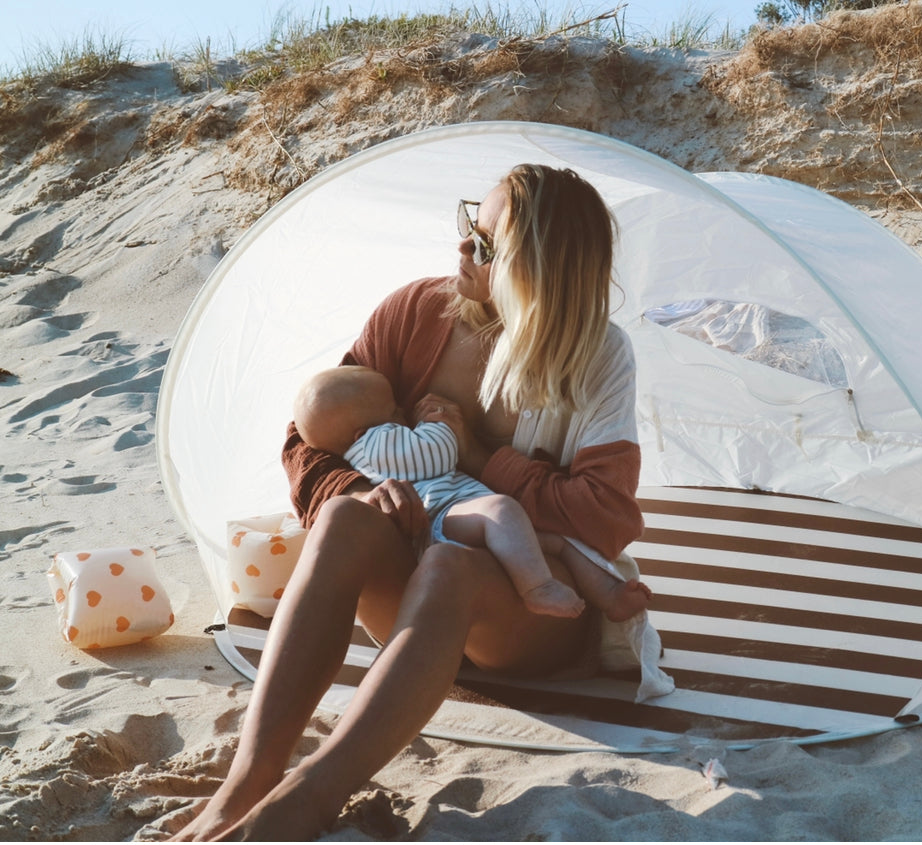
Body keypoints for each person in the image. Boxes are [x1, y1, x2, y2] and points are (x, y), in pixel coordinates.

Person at [174, 164, 654, 841]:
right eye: (468, 226)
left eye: (485, 246)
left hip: (523, 615)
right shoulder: (414, 313)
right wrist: (367, 490)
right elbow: (306, 439)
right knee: (343, 515)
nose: (461, 249)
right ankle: (250, 778)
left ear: (534, 274)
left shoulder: (598, 356)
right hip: (410, 590)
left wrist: (478, 457)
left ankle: (311, 797)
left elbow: (602, 517)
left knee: (450, 566)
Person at [291, 364, 652, 620]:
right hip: (441, 517)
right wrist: (440, 425)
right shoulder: (373, 445)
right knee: (502, 510)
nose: (402, 409)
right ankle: (537, 588)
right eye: (392, 409)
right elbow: (435, 453)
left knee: (557, 540)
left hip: (460, 516)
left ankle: (610, 594)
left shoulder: (374, 435)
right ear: (359, 430)